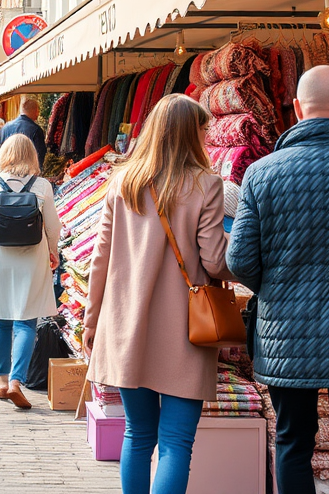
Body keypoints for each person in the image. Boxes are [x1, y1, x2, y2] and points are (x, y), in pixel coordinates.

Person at [82, 94, 231, 494]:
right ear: (189, 134)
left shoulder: (123, 183)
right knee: (177, 443)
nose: (206, 135)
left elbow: (101, 259)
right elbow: (215, 262)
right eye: (202, 129)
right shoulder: (206, 184)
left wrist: (91, 320)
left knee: (137, 434)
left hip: (127, 326)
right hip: (185, 332)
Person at [228, 65, 329, 494]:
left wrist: (277, 284)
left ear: (296, 107)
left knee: (291, 439)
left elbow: (240, 260)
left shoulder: (262, 173)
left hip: (286, 332)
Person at [0, 134, 60, 410]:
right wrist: (52, 251)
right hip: (32, 259)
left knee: (1, 319)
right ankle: (17, 382)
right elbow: (53, 227)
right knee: (26, 320)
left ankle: (0, 379)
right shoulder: (42, 186)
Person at [0, 97, 47, 171]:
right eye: (38, 111)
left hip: (6, 170)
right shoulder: (36, 130)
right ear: (35, 111)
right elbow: (40, 154)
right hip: (26, 172)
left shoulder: (5, 128)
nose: (38, 115)